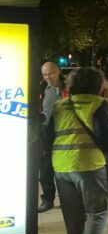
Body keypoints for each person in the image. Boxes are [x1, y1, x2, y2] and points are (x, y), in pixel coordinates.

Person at [46, 67, 108, 234]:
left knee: (73, 218)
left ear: (72, 85)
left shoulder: (60, 105)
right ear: (98, 85)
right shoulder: (98, 103)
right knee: (99, 213)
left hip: (61, 168)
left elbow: (47, 136)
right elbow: (107, 137)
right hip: (89, 166)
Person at [38, 61, 68, 213]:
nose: (47, 77)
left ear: (58, 72)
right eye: (44, 74)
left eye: (50, 73)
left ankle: (67, 199)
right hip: (46, 132)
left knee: (64, 167)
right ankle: (48, 199)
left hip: (66, 131)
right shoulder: (42, 88)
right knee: (45, 166)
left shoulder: (70, 87)